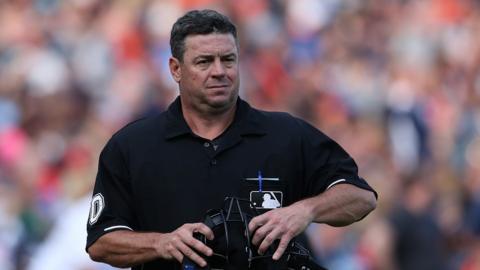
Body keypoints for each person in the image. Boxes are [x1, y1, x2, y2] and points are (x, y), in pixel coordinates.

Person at [86, 9, 377, 270]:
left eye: (228, 60)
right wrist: (161, 243)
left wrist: (305, 210)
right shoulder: (133, 145)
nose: (219, 72)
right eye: (204, 62)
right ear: (175, 69)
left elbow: (361, 197)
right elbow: (101, 242)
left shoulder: (285, 134)